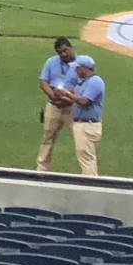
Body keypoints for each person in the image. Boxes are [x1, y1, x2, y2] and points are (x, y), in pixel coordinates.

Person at [36, 36, 76, 172]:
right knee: (48, 136)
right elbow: (43, 82)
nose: (63, 54)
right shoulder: (51, 62)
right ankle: (42, 169)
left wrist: (67, 96)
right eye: (60, 53)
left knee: (80, 137)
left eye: (65, 51)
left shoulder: (81, 63)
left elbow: (84, 83)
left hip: (72, 107)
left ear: (71, 47)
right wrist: (54, 96)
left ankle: (87, 173)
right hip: (53, 105)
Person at [66, 55, 106, 175]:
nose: (75, 70)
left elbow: (84, 101)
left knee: (86, 157)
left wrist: (69, 95)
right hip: (82, 124)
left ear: (84, 68)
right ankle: (89, 180)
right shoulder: (84, 82)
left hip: (87, 125)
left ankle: (90, 183)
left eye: (77, 68)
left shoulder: (95, 81)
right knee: (85, 156)